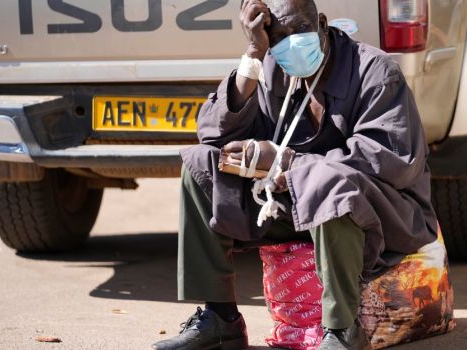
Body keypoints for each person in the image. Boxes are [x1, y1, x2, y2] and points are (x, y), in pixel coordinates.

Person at [152, 0, 438, 349]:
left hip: (383, 213)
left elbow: (391, 160)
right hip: (295, 206)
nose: (291, 41)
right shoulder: (270, 66)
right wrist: (254, 54)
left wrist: (290, 163)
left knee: (325, 182)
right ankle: (220, 318)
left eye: (300, 29)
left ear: (320, 22)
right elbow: (212, 134)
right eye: (278, 36)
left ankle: (341, 330)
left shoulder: (374, 71)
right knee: (201, 166)